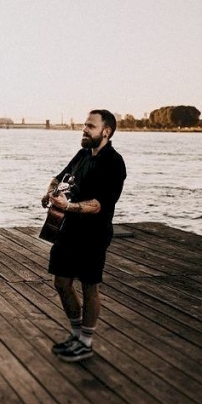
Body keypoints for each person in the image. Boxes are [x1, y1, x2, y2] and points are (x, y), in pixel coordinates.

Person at [41, 109, 126, 363]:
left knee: (90, 287)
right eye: (84, 124)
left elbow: (99, 205)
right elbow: (58, 177)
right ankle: (76, 335)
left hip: (93, 235)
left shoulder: (113, 162)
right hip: (67, 231)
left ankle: (86, 342)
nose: (84, 129)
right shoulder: (82, 155)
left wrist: (68, 207)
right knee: (61, 283)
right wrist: (51, 193)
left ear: (106, 131)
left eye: (90, 126)